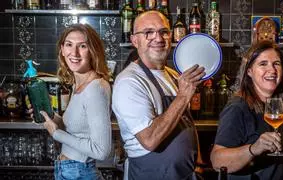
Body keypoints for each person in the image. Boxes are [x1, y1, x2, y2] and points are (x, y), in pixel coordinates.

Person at [112, 11, 205, 180]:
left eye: (164, 32)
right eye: (148, 32)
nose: (158, 38)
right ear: (135, 41)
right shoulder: (129, 82)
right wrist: (183, 97)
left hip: (184, 174)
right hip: (151, 174)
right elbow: (149, 139)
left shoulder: (173, 74)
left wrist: (198, 164)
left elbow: (186, 121)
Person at [210, 41, 283, 180]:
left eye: (276, 64)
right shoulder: (238, 108)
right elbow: (217, 161)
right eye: (263, 64)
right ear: (249, 71)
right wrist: (253, 149)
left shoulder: (275, 107)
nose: (272, 70)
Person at [40, 24, 112, 180]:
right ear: (62, 49)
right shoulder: (77, 84)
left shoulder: (95, 88)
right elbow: (76, 129)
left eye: (83, 46)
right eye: (69, 44)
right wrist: (49, 116)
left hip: (80, 172)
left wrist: (56, 133)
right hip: (68, 170)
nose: (74, 53)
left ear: (93, 51)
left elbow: (102, 151)